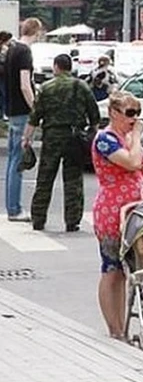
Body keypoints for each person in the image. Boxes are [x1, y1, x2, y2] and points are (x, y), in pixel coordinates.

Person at [91, 90, 143, 338]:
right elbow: (132, 162)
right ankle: (115, 329)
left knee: (129, 272)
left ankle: (122, 327)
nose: (135, 119)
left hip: (140, 213)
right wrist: (138, 136)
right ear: (113, 113)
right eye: (130, 113)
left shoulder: (131, 139)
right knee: (112, 270)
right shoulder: (105, 139)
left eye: (138, 113)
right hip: (113, 212)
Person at [23, 54, 100, 232]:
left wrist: (26, 138)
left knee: (44, 179)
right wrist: (92, 134)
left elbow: (35, 117)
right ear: (70, 67)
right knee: (73, 180)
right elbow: (93, 114)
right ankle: (72, 221)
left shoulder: (45, 88)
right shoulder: (81, 86)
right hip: (74, 137)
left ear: (56, 67)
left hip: (52, 137)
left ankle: (38, 219)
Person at [4, 17, 42, 222]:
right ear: (36, 31)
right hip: (22, 111)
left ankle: (11, 206)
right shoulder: (25, 52)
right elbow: (25, 85)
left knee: (12, 160)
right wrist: (36, 108)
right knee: (19, 161)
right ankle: (15, 209)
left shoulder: (11, 49)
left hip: (11, 110)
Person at [0, 30, 13, 119]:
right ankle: (4, 113)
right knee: (4, 93)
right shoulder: (5, 49)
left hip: (2, 74)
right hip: (3, 75)